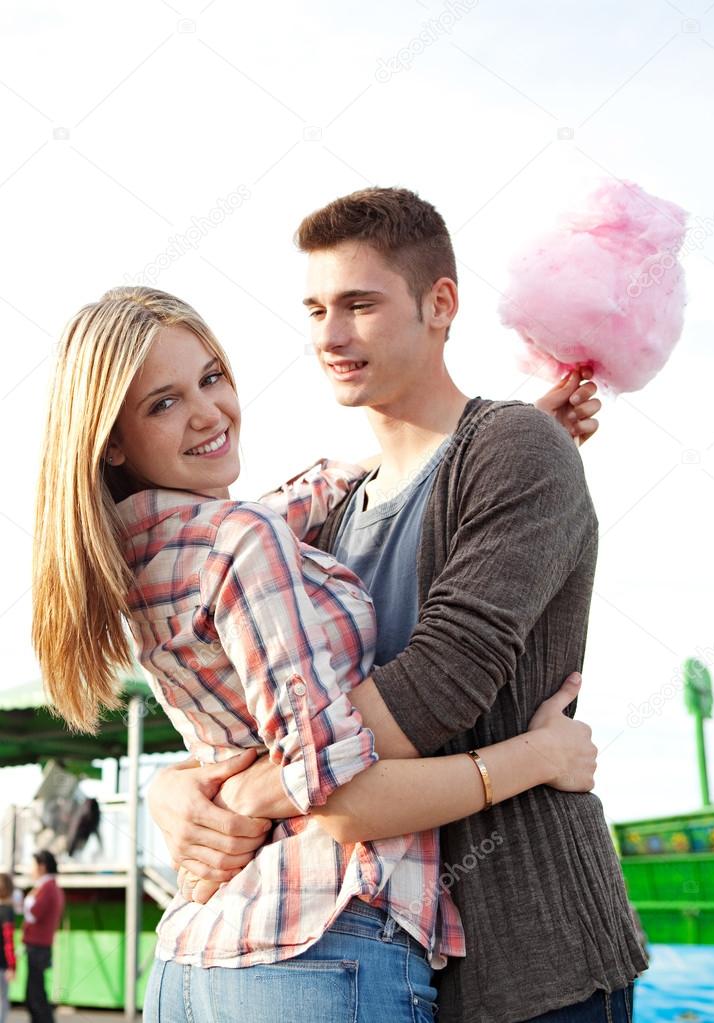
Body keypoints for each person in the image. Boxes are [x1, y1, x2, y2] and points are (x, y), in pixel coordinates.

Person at [32, 288, 598, 1023]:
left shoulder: (142, 553)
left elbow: (314, 493)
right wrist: (542, 756)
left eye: (211, 376)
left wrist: (492, 440)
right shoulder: (242, 543)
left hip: (190, 964)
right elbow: (343, 798)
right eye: (163, 403)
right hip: (322, 943)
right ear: (112, 438)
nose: (208, 411)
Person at [150, 188, 648, 1023]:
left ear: (440, 303)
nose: (330, 337)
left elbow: (440, 685)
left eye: (359, 304)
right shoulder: (331, 515)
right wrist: (177, 784)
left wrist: (249, 795)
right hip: (379, 954)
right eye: (315, 309)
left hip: (533, 960)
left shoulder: (517, 449)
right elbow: (263, 707)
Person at [22, 851, 63, 1023]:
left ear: (42, 866)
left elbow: (34, 913)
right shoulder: (48, 887)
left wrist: (25, 903)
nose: (31, 870)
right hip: (39, 947)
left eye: (33, 865)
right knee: (35, 995)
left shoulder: (47, 888)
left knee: (35, 997)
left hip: (38, 947)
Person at [0, 873, 17, 1023]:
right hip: (2, 965)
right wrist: (12, 966)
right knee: (2, 1001)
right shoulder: (7, 912)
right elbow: (8, 942)